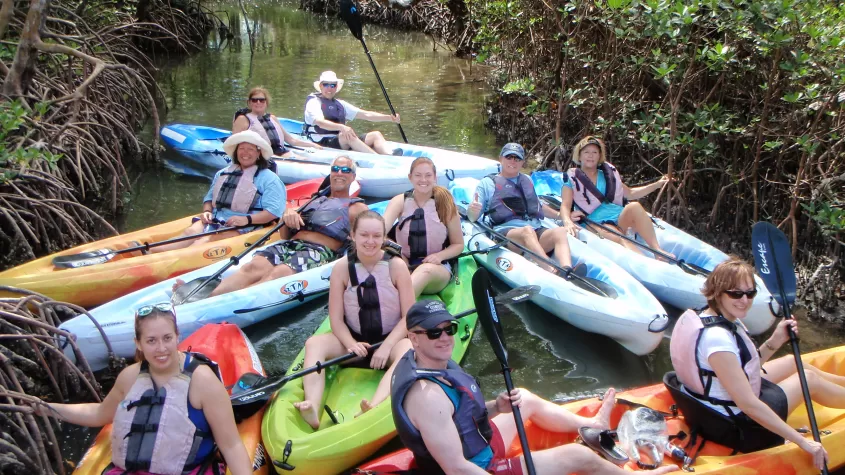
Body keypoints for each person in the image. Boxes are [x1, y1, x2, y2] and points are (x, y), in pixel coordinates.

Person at [391, 300, 679, 475]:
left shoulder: (425, 359)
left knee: (523, 399)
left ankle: (593, 423)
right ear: (414, 338)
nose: (444, 338)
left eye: (449, 329)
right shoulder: (426, 397)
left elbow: (460, 417)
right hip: (476, 468)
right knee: (578, 456)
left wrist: (495, 407)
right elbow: (455, 468)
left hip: (476, 446)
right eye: (433, 332)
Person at [668, 257, 843, 470]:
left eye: (750, 293)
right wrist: (804, 443)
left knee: (791, 362)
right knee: (809, 379)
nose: (745, 300)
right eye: (736, 293)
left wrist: (775, 341)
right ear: (717, 291)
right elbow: (748, 404)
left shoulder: (712, 315)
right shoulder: (717, 340)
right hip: (739, 426)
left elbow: (744, 367)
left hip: (716, 404)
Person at [34, 304, 252, 475]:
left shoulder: (202, 382)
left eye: (167, 338)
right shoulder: (129, 378)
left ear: (178, 336)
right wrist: (44, 407)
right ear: (138, 343)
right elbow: (100, 414)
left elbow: (231, 445)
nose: (161, 349)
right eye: (151, 341)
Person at [293, 211, 416, 429]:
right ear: (353, 236)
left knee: (408, 350)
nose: (371, 241)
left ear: (384, 237)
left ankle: (374, 405)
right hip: (353, 343)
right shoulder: (341, 268)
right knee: (314, 343)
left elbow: (409, 317)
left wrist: (386, 347)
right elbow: (336, 320)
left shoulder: (396, 266)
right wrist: (351, 344)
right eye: (364, 235)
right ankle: (312, 404)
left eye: (377, 236)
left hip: (389, 343)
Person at [202, 155, 368, 297]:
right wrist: (286, 217)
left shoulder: (356, 207)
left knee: (279, 273)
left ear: (353, 177)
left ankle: (227, 304)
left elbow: (367, 239)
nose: (339, 173)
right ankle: (208, 300)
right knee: (252, 267)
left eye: (345, 170)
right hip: (290, 244)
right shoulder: (313, 201)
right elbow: (284, 235)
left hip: (319, 252)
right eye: (335, 169)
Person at [152, 131, 286, 254]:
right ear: (236, 151)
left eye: (250, 149)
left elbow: (273, 212)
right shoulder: (223, 173)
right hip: (217, 219)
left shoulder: (269, 179)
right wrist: (207, 211)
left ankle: (165, 263)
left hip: (246, 227)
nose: (245, 153)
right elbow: (209, 198)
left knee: (204, 241)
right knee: (190, 231)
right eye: (242, 148)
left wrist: (246, 219)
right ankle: (150, 252)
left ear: (259, 154)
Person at [467, 143, 576, 275]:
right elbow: (473, 217)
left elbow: (538, 206)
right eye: (509, 157)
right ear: (501, 158)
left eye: (517, 158)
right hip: (508, 235)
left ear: (522, 162)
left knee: (559, 232)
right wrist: (473, 210)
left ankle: (567, 269)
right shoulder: (487, 183)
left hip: (534, 231)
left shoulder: (527, 179)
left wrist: (562, 216)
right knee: (527, 231)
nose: (513, 161)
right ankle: (551, 270)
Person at [559, 136, 673, 258]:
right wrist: (567, 221)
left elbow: (631, 193)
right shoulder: (572, 180)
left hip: (618, 217)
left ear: (599, 157)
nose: (590, 155)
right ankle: (646, 262)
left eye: (594, 152)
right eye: (586, 152)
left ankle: (657, 250)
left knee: (635, 206)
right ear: (579, 156)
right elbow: (565, 205)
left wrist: (657, 185)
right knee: (619, 236)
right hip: (596, 222)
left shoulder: (608, 176)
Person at [382, 157, 464, 297]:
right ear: (410, 177)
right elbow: (379, 233)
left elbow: (458, 244)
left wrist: (439, 256)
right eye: (418, 175)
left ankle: (396, 311)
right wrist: (399, 254)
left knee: (424, 271)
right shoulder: (399, 201)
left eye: (428, 175)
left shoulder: (445, 203)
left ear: (435, 178)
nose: (423, 180)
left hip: (437, 267)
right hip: (404, 262)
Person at [303, 71, 402, 156]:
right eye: (326, 84)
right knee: (346, 135)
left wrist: (389, 118)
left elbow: (366, 114)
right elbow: (320, 122)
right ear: (320, 86)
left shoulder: (340, 104)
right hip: (321, 142)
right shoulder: (314, 102)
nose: (329, 88)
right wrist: (342, 127)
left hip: (341, 140)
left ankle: (389, 156)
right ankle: (377, 158)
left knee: (375, 135)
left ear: (336, 87)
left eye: (333, 85)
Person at [232, 86, 320, 157]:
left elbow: (291, 140)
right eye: (254, 100)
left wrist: (312, 145)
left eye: (262, 100)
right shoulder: (243, 119)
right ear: (249, 103)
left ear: (266, 102)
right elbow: (234, 143)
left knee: (304, 160)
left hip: (281, 152)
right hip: (261, 156)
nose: (258, 102)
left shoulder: (272, 118)